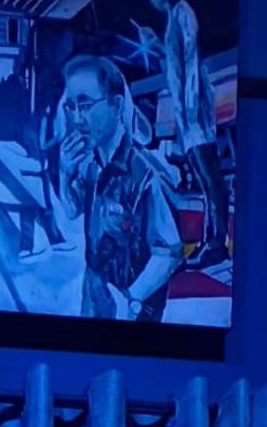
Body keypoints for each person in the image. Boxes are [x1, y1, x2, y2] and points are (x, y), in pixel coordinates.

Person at [56, 56, 183, 325]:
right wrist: (65, 175)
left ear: (116, 105)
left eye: (86, 105)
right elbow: (71, 210)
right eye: (71, 106)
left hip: (131, 315)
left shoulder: (144, 174)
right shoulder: (91, 165)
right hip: (94, 299)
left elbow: (170, 250)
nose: (77, 118)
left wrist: (130, 298)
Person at [145, 0, 227, 267]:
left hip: (195, 109)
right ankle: (212, 240)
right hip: (188, 111)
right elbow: (174, 62)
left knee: (210, 177)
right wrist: (155, 45)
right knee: (205, 179)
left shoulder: (182, 12)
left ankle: (217, 242)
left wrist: (191, 107)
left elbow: (191, 59)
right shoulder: (172, 18)